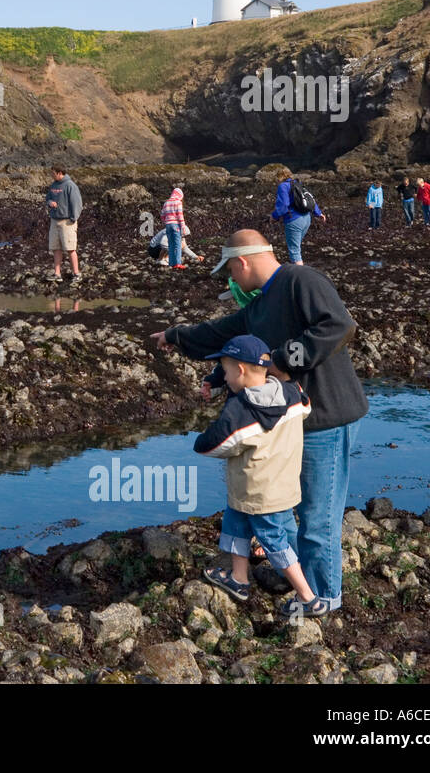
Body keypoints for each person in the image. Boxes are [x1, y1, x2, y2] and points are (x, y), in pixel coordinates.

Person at [150, 229, 368, 614]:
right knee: (284, 508)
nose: (230, 280)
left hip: (328, 421)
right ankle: (305, 587)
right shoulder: (260, 306)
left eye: (230, 272)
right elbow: (223, 333)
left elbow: (338, 326)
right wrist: (177, 336)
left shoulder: (302, 280)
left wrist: (282, 362)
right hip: (293, 426)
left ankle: (326, 599)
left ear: (242, 261)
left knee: (318, 519)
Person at [193, 334, 322, 615]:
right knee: (235, 519)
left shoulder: (242, 410)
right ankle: (239, 579)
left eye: (225, 371)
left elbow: (212, 445)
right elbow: (306, 405)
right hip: (279, 486)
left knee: (273, 539)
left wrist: (204, 435)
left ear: (240, 370)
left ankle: (308, 598)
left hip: (259, 492)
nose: (224, 378)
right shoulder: (290, 393)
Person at [270, 174, 325, 265]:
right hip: (307, 218)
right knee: (296, 247)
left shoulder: (283, 186)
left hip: (294, 220)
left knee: (295, 251)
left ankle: (299, 274)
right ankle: (295, 267)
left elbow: (284, 206)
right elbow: (308, 198)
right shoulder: (298, 183)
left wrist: (274, 216)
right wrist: (318, 213)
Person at [45, 165, 83, 283]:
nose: (51, 175)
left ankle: (76, 273)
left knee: (70, 248)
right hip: (54, 220)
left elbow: (77, 204)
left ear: (59, 173)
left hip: (67, 222)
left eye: (53, 173)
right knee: (56, 248)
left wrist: (73, 219)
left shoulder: (70, 185)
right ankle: (57, 274)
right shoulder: (53, 185)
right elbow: (48, 198)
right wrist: (50, 202)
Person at [160, 186, 190, 269]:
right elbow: (180, 215)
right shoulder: (178, 202)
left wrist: (166, 222)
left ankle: (171, 263)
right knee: (177, 244)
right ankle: (178, 263)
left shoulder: (166, 203)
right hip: (176, 225)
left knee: (171, 244)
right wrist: (183, 226)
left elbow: (162, 215)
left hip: (168, 225)